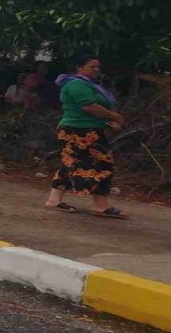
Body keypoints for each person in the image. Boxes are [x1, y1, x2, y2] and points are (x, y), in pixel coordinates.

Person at [44, 53, 128, 219]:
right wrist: (115, 116)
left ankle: (54, 200)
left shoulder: (89, 84)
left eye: (98, 67)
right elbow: (89, 106)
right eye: (92, 67)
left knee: (70, 163)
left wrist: (109, 120)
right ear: (79, 67)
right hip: (79, 131)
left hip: (87, 129)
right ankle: (100, 204)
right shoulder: (76, 84)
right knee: (103, 164)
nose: (96, 70)